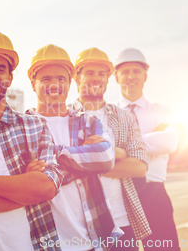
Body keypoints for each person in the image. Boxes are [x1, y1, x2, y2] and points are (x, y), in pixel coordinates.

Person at [0, 30, 64, 251]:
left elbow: (47, 187)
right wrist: (24, 187)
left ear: (10, 76)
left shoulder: (34, 127)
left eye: (0, 69)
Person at [25, 44, 123, 251]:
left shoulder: (87, 122)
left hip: (93, 239)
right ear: (33, 84)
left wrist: (52, 157)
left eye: (61, 79)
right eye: (46, 79)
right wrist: (84, 162)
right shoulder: (22, 126)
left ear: (70, 83)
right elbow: (27, 183)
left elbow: (105, 157)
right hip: (46, 242)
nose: (55, 85)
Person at [70, 48, 151, 251]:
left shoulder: (125, 117)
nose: (96, 78)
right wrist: (118, 154)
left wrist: (86, 159)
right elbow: (62, 163)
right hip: (78, 227)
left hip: (121, 224)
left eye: (101, 73)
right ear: (76, 78)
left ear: (108, 78)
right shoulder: (65, 117)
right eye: (89, 73)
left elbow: (140, 167)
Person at [114, 48, 180, 250]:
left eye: (136, 71)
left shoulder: (161, 110)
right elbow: (104, 151)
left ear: (145, 76)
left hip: (154, 196)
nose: (131, 76)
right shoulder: (109, 113)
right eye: (125, 72)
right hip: (121, 195)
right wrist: (152, 138)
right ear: (116, 77)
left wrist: (125, 148)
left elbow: (169, 141)